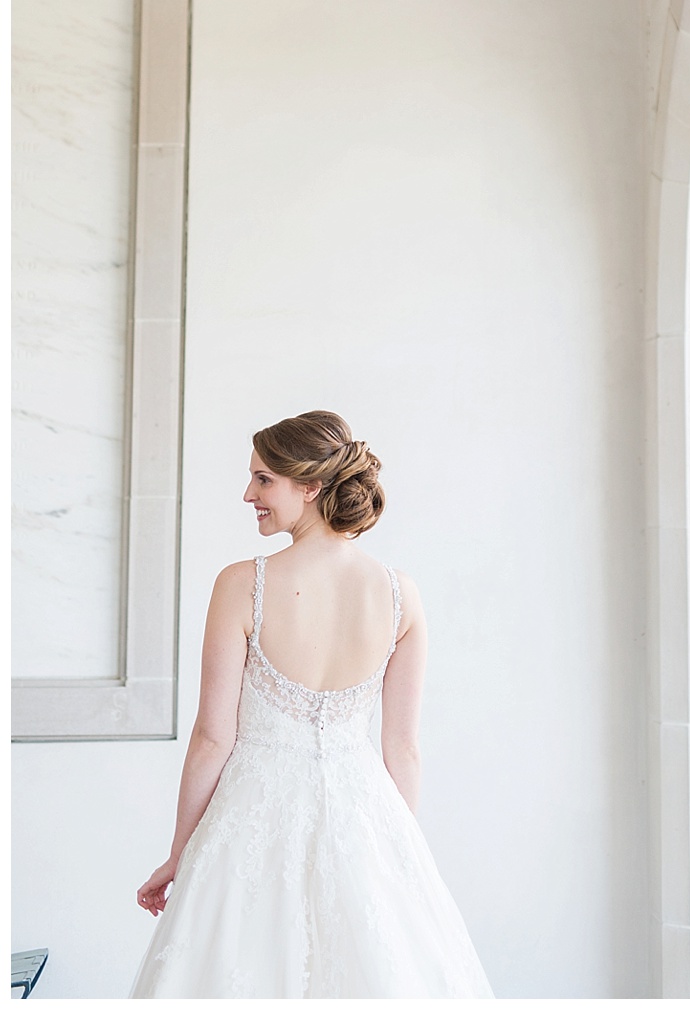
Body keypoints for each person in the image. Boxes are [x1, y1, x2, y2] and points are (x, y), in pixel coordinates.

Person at [131, 411, 493, 997]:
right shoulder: (401, 595)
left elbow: (212, 738)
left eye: (263, 479)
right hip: (364, 819)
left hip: (251, 820)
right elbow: (402, 746)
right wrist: (398, 858)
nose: (248, 494)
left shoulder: (240, 585)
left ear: (311, 486)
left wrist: (182, 853)